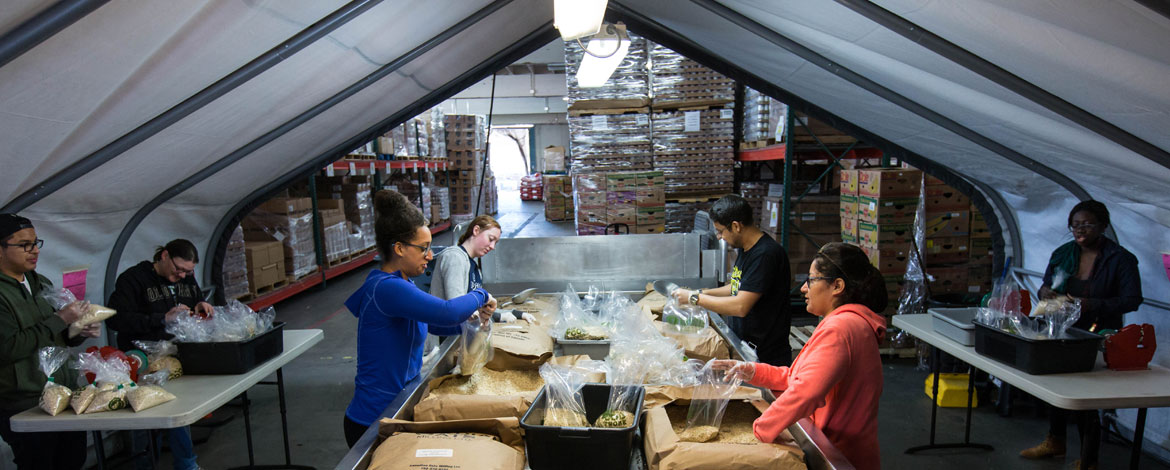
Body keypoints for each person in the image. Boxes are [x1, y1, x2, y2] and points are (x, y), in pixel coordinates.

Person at [713, 242, 887, 470]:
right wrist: (752, 371)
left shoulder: (841, 328)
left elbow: (806, 392)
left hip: (839, 454)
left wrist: (761, 428)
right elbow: (799, 377)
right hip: (842, 447)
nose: (804, 288)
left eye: (811, 280)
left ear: (837, 286)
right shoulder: (847, 323)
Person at [343, 191, 496, 447]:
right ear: (399, 248)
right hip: (372, 419)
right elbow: (447, 312)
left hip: (396, 406)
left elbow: (433, 322)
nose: (429, 256)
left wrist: (471, 322)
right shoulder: (387, 288)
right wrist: (481, 295)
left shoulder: (404, 283)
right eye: (423, 249)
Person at [1020, 200, 1141, 470]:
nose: (1079, 230)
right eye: (1075, 225)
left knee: (1087, 397)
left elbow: (1132, 300)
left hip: (1096, 337)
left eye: (1087, 224)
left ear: (1103, 226)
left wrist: (1092, 304)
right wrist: (1044, 293)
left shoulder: (1120, 259)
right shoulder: (1064, 253)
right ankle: (1055, 441)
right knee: (1057, 387)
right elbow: (1047, 284)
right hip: (1062, 331)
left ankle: (1089, 459)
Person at [0, 214, 101, 470]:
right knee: (39, 464)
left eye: (36, 243)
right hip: (23, 401)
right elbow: (8, 348)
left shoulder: (41, 283)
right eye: (24, 245)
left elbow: (52, 337)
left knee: (72, 460)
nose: (34, 251)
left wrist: (76, 331)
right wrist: (60, 319)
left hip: (62, 394)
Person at [107, 239, 210, 470]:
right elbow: (116, 319)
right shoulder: (132, 279)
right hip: (142, 359)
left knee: (179, 407)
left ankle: (186, 462)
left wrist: (201, 303)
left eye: (188, 271)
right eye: (179, 270)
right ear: (164, 256)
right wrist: (161, 319)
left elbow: (194, 299)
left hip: (175, 356)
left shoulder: (186, 278)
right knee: (144, 415)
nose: (183, 275)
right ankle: (144, 462)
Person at [672, 194, 792, 365]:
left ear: (736, 226)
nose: (720, 237)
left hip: (765, 356)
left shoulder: (765, 255)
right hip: (745, 347)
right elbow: (737, 287)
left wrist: (694, 299)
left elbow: (740, 306)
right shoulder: (746, 248)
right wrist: (701, 292)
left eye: (721, 231)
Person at [431, 215, 533, 323]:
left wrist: (516, 313)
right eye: (491, 239)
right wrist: (498, 317)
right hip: (447, 335)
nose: (492, 246)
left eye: (495, 243)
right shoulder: (454, 258)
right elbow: (458, 309)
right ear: (476, 230)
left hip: (465, 331)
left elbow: (480, 310)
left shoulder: (474, 266)